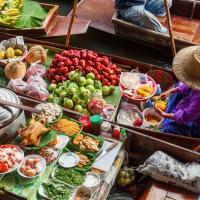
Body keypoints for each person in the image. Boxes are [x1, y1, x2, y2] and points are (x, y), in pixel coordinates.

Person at [155, 46, 200, 137]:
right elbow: (187, 86)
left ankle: (168, 119)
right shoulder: (195, 85)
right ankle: (171, 112)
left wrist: (165, 115)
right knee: (177, 87)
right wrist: (170, 91)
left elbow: (186, 116)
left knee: (168, 127)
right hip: (194, 102)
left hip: (196, 123)